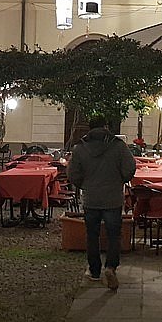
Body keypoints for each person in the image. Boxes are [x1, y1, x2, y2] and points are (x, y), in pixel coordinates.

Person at [67, 117, 136, 290]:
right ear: (106, 126)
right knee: (114, 235)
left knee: (92, 235)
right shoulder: (118, 146)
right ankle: (111, 267)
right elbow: (130, 168)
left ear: (89, 128)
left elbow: (73, 173)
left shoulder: (80, 147)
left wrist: (84, 185)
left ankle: (95, 270)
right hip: (113, 197)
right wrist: (119, 180)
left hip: (91, 197)